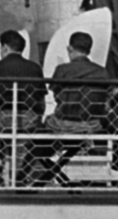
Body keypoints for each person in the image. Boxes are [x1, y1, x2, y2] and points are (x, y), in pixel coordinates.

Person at [43, 31, 109, 185]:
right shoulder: (102, 72)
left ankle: (35, 179)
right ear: (89, 50)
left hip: (64, 125)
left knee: (37, 138)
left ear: (70, 48)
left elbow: (56, 93)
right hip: (92, 126)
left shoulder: (62, 70)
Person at [0, 30, 45, 186]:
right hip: (27, 119)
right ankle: (19, 176)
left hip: (0, 119)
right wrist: (37, 119)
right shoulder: (35, 68)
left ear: (5, 47)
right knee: (24, 146)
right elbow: (41, 101)